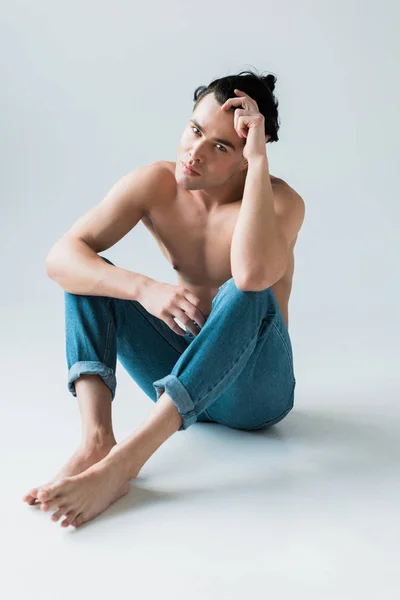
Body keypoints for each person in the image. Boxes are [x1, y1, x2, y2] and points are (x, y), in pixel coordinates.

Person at [23, 69, 305, 528]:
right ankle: (97, 440)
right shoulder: (157, 184)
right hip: (181, 370)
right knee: (90, 274)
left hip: (254, 393)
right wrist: (144, 288)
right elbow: (61, 257)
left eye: (221, 147)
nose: (194, 153)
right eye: (195, 130)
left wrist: (258, 163)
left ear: (245, 157)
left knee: (246, 290)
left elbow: (253, 275)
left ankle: (123, 467)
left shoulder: (280, 203)